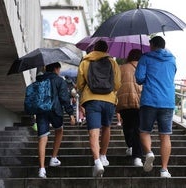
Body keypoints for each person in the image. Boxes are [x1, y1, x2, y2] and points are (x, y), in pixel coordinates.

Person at [76, 40, 121, 177]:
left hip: (92, 99)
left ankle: (97, 162)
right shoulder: (112, 62)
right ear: (107, 49)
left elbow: (80, 83)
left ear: (94, 48)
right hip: (108, 100)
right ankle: (103, 155)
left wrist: (86, 91)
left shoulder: (85, 61)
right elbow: (117, 84)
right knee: (107, 127)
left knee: (93, 132)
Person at [135, 36, 176, 178]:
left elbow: (139, 79)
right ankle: (164, 170)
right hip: (168, 101)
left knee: (144, 131)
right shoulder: (172, 59)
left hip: (150, 100)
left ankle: (149, 152)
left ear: (152, 45)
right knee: (165, 136)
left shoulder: (145, 58)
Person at [36, 62, 75, 178]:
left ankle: (42, 169)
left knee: (42, 138)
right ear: (55, 69)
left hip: (41, 110)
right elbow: (64, 98)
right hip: (55, 110)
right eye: (59, 69)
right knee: (59, 130)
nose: (59, 71)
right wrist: (70, 114)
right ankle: (53, 158)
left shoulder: (39, 79)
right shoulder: (59, 80)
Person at [116, 49, 143, 166]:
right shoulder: (143, 67)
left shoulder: (121, 68)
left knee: (127, 126)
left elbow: (116, 84)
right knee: (138, 129)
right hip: (140, 101)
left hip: (124, 101)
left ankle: (130, 146)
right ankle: (137, 157)